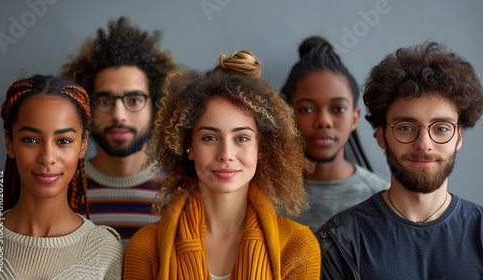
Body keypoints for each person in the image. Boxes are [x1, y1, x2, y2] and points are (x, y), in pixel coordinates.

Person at [123, 50, 321, 279]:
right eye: (209, 138)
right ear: (188, 146)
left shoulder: (296, 245)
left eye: (242, 138)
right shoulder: (147, 247)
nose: (226, 154)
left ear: (261, 149)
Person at [316, 42, 483, 279]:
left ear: (458, 137)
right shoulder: (340, 241)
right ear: (381, 136)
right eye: (406, 127)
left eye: (441, 128)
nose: (424, 143)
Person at [0, 75, 124, 279]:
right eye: (31, 139)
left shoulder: (106, 251)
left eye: (63, 141)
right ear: (9, 141)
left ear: (83, 144)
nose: (47, 158)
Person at [61, 17, 176, 246]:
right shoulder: (62, 187)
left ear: (156, 105)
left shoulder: (180, 190)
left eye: (134, 99)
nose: (119, 115)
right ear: (87, 106)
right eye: (105, 100)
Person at [281, 36, 388, 230]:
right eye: (307, 109)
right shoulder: (267, 198)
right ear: (288, 116)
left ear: (355, 118)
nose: (324, 121)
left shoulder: (383, 200)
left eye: (338, 109)